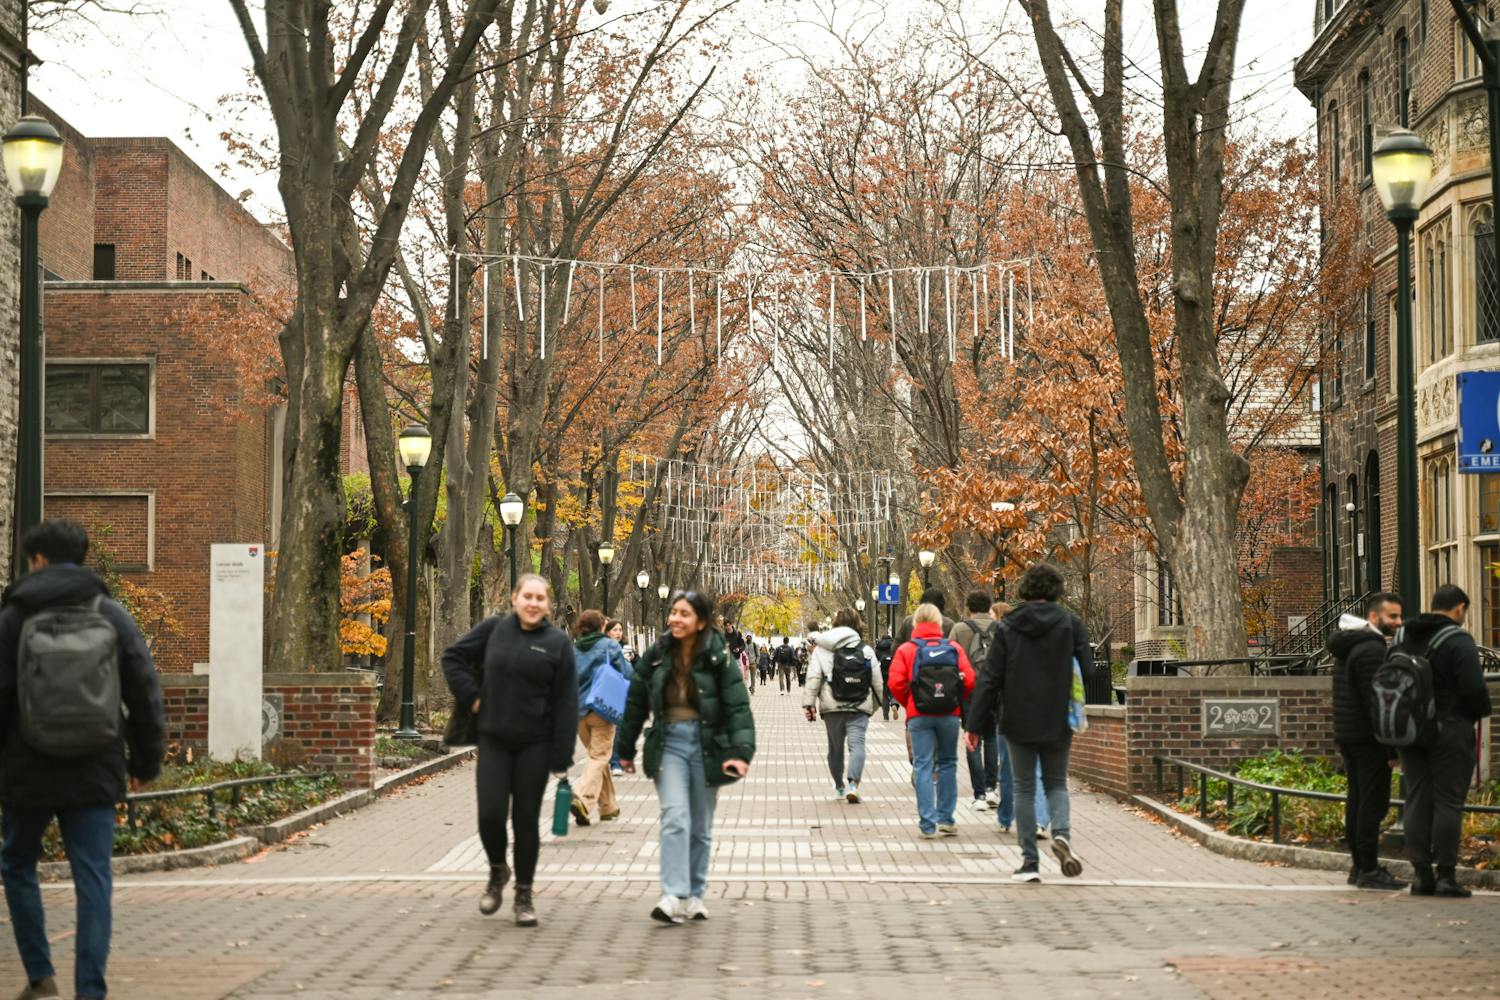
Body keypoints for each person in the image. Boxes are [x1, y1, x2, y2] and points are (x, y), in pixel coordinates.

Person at [0, 520, 166, 1000]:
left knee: (17, 863)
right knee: (93, 875)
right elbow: (145, 691)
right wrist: (145, 763)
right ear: (82, 557)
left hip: (27, 766)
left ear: (37, 560)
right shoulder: (110, 613)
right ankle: (90, 990)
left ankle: (40, 977)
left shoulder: (13, 617)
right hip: (96, 764)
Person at [442, 573, 577, 927]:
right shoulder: (494, 630)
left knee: (526, 821)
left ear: (547, 604)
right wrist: (472, 697)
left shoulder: (557, 644)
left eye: (540, 598)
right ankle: (498, 869)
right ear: (515, 598)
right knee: (490, 814)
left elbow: (566, 701)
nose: (533, 603)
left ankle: (524, 894)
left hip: (536, 743)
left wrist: (562, 754)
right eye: (527, 596)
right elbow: (453, 657)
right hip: (494, 739)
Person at [618, 591, 755, 924]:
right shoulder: (657, 653)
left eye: (685, 614)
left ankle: (695, 895)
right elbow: (636, 701)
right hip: (670, 745)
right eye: (674, 612)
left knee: (700, 827)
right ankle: (672, 895)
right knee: (675, 816)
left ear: (701, 622)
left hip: (708, 746)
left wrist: (740, 752)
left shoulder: (717, 657)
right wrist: (624, 748)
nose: (676, 619)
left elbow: (738, 708)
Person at [967, 563, 1090, 883]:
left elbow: (989, 678)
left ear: (1026, 589)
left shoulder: (1008, 627)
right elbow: (1089, 671)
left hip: (1017, 718)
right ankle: (1061, 834)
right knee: (1056, 783)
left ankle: (1030, 862)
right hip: (1056, 716)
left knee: (1023, 787)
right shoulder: (1070, 624)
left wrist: (975, 724)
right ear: (1057, 589)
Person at [1395, 584, 1493, 898]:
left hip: (1410, 730)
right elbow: (1475, 689)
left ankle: (1421, 875)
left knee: (1417, 797)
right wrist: (1476, 714)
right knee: (1448, 801)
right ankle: (1446, 876)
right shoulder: (1458, 641)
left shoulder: (1401, 637)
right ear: (1459, 609)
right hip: (1450, 728)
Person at [1327, 591, 1406, 891]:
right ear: (1375, 617)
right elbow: (1378, 702)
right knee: (1372, 804)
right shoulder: (1371, 649)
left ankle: (1359, 867)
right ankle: (1369, 869)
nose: (1398, 622)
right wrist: (1390, 747)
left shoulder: (1348, 646)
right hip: (1369, 739)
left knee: (1358, 800)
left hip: (1349, 735)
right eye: (1393, 617)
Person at [888, 603, 975, 838]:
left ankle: (927, 823)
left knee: (923, 765)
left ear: (916, 623)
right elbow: (969, 680)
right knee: (947, 763)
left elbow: (894, 683)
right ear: (939, 623)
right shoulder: (953, 648)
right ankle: (946, 818)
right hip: (949, 715)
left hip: (920, 715)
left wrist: (910, 702)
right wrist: (956, 700)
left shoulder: (907, 650)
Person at [802, 608, 883, 802]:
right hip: (859, 705)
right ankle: (853, 784)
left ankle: (839, 786)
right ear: (857, 625)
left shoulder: (822, 649)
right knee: (857, 746)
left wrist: (809, 704)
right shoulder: (865, 650)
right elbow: (878, 683)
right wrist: (872, 707)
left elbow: (813, 677)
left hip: (832, 707)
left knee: (835, 750)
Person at [571, 610, 631, 826]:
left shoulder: (573, 649)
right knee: (598, 758)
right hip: (602, 709)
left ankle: (608, 807)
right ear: (600, 627)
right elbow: (627, 672)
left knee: (598, 757)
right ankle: (583, 797)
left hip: (579, 713)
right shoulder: (609, 646)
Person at [950, 592, 1000, 810]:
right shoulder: (1000, 628)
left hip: (969, 692)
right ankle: (991, 788)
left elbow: (950, 660)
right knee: (992, 738)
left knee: (972, 741)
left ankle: (978, 794)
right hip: (996, 691)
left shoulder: (960, 630)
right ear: (988, 605)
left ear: (969, 607)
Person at [606, 620, 632, 776]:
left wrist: (635, 659)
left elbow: (635, 669)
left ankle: (616, 762)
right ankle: (606, 759)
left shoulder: (627, 648)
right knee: (607, 728)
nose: (618, 633)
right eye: (615, 629)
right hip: (607, 691)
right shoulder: (603, 648)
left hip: (624, 691)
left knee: (620, 728)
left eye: (620, 630)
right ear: (608, 632)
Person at [874, 635, 896, 720]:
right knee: (893, 691)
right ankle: (894, 703)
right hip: (893, 671)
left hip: (882, 672)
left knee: (884, 694)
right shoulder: (894, 645)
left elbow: (875, 661)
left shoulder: (878, 647)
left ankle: (885, 715)